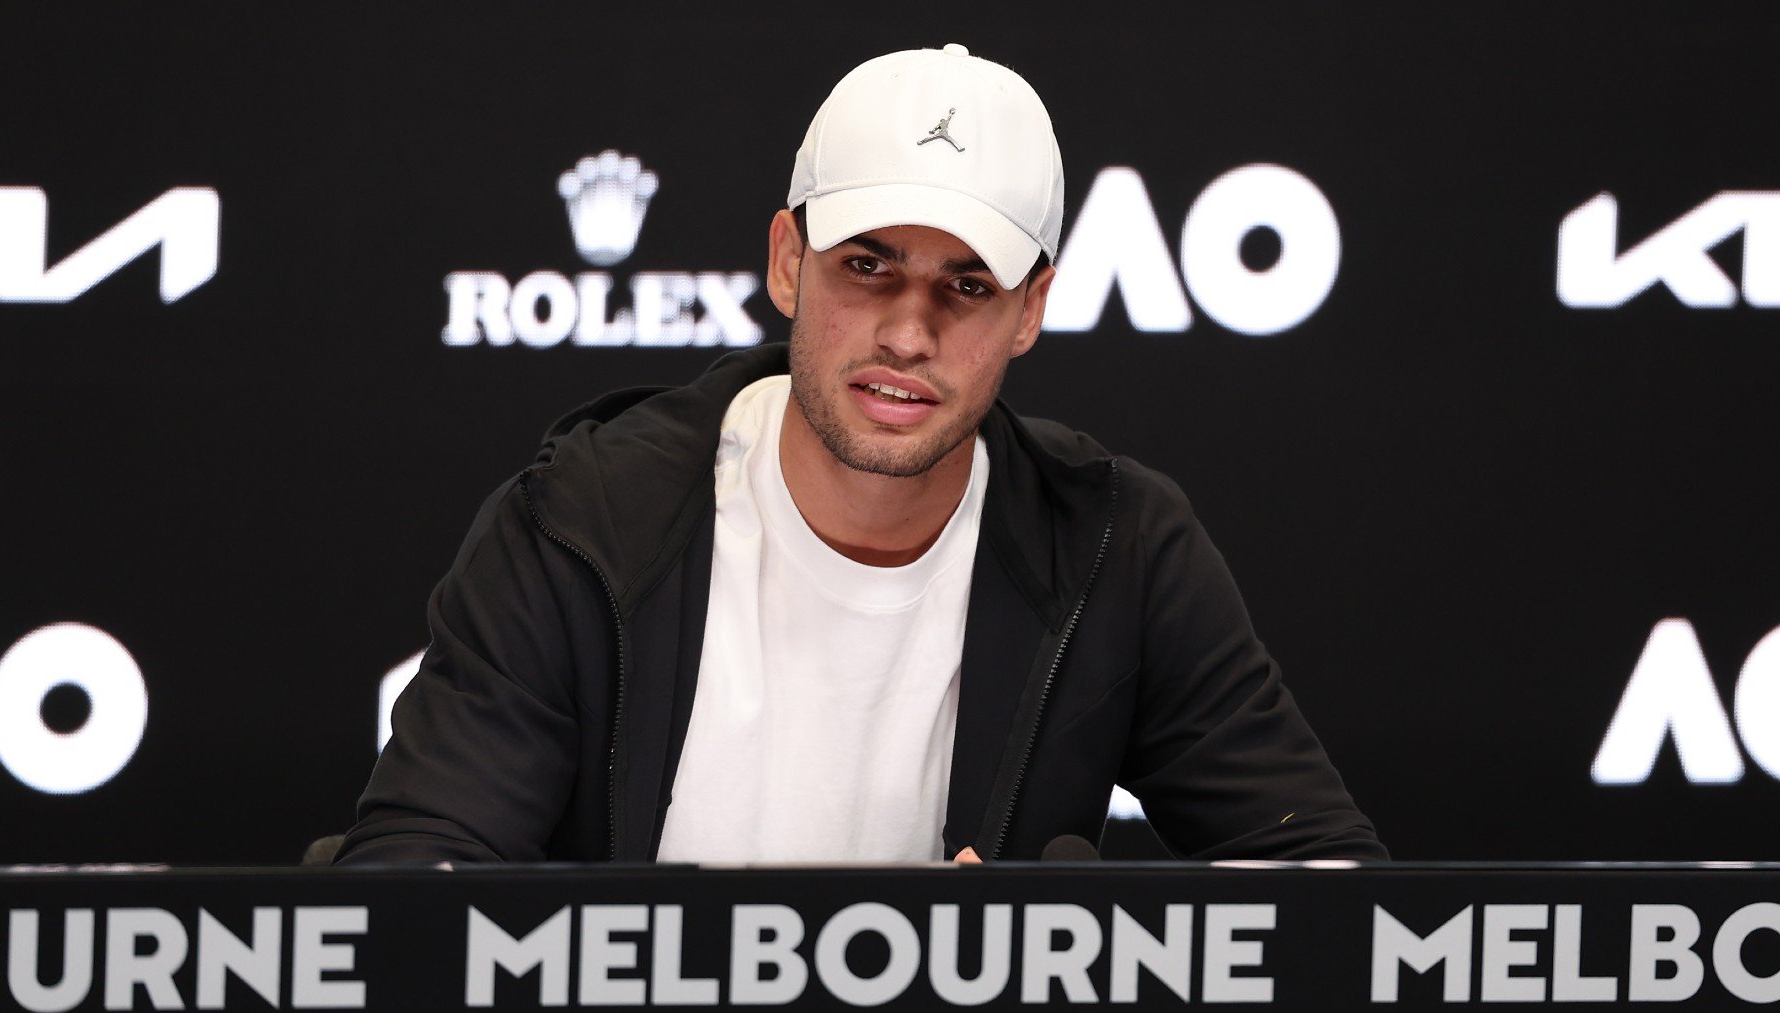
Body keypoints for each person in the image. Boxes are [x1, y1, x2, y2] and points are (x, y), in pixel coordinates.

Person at [337, 44, 1385, 864]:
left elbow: (1326, 884)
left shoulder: (1120, 546)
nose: (907, 333)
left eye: (966, 285)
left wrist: (1079, 940)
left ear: (1031, 311)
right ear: (788, 263)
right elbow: (415, 887)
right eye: (869, 265)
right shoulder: (581, 525)